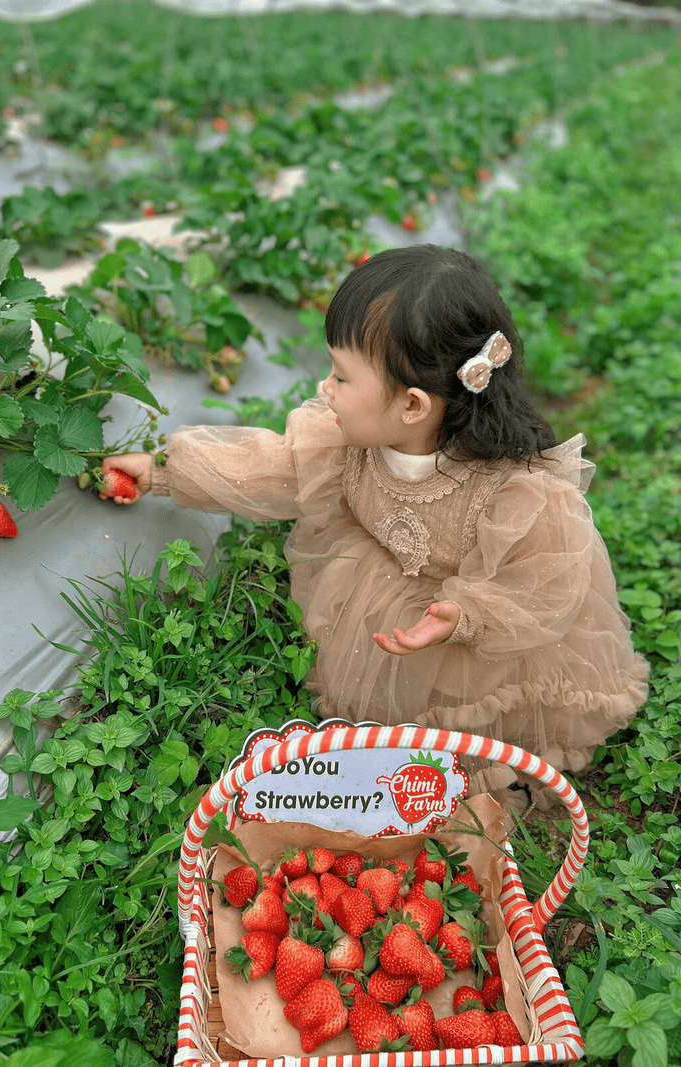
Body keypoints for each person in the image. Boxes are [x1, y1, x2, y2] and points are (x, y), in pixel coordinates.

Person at [102, 245, 649, 808]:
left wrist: (465, 617)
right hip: (389, 593)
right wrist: (163, 473)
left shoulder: (514, 493)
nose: (324, 389)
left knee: (468, 725)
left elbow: (539, 584)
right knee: (385, 698)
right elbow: (273, 469)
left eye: (341, 377)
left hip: (476, 637)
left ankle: (473, 778)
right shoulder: (350, 444)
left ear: (412, 406)